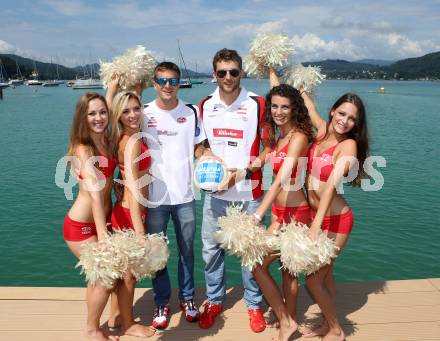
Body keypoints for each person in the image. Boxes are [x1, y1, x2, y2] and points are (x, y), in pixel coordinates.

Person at [198, 48, 273, 333]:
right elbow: (200, 144)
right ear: (214, 74)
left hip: (249, 193)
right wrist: (206, 156)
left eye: (233, 72)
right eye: (222, 72)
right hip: (215, 194)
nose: (228, 77)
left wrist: (245, 170)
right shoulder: (205, 104)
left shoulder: (258, 103)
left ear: (242, 72)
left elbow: (269, 148)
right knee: (211, 251)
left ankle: (254, 304)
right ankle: (215, 300)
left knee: (249, 252)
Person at [140, 61, 209, 329]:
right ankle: (161, 301)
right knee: (157, 254)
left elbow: (199, 148)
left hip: (184, 196)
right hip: (154, 198)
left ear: (179, 82)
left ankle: (188, 298)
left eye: (173, 80)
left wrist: (207, 157)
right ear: (154, 83)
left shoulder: (191, 112)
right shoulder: (143, 113)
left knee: (186, 251)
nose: (167, 85)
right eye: (162, 80)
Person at [251, 69, 314, 341]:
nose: (278, 111)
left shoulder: (298, 136)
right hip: (280, 213)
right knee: (281, 270)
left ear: (294, 109)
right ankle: (289, 319)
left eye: (285, 107)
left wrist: (258, 213)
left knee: (260, 265)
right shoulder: (280, 136)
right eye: (274, 106)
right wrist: (272, 71)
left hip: (294, 214)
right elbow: (280, 91)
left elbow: (281, 179)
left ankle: (287, 320)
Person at [301, 90, 369, 341]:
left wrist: (316, 224)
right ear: (332, 111)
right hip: (317, 216)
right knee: (325, 275)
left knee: (313, 279)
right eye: (342, 113)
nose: (345, 121)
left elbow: (330, 185)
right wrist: (273, 68)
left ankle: (336, 330)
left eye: (352, 118)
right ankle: (326, 323)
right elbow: (306, 103)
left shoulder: (348, 145)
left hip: (336, 220)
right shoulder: (320, 131)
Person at [63, 93, 118, 341]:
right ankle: (92, 330)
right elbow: (95, 196)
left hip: (100, 222)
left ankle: (97, 324)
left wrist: (114, 86)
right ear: (82, 118)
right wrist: (104, 234)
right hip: (81, 227)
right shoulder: (83, 149)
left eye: (102, 112)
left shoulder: (105, 140)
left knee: (100, 277)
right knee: (106, 276)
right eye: (92, 114)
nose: (98, 117)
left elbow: (107, 107)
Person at [105, 82, 156, 338]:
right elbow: (135, 190)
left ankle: (115, 318)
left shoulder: (120, 136)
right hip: (129, 213)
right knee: (129, 275)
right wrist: (140, 230)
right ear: (119, 116)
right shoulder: (133, 143)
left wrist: (121, 87)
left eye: (137, 109)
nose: (133, 115)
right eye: (126, 112)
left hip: (123, 210)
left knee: (122, 272)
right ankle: (128, 324)